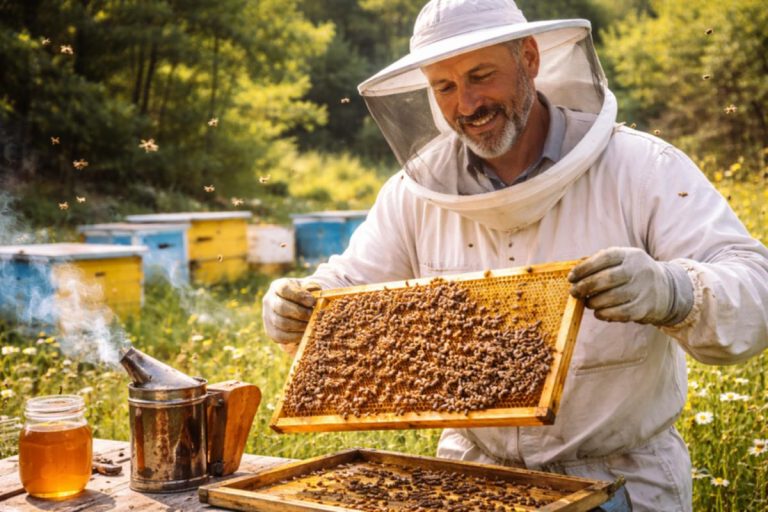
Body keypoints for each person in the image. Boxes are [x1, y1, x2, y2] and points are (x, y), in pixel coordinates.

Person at [262, 1, 768, 510]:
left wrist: (674, 290)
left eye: (482, 76)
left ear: (529, 58)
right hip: (472, 479)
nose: (466, 104)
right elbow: (349, 287)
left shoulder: (642, 168)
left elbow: (754, 285)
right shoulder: (414, 194)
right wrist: (296, 305)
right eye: (445, 87)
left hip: (620, 481)